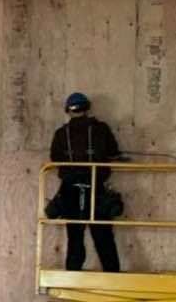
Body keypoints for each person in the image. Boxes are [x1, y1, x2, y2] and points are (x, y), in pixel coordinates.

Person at [48, 93, 122, 272]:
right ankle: (112, 274)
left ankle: (72, 273)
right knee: (103, 235)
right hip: (96, 187)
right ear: (87, 108)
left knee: (74, 235)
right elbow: (113, 152)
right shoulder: (100, 129)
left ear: (68, 111)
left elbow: (55, 158)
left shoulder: (61, 134)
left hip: (70, 190)